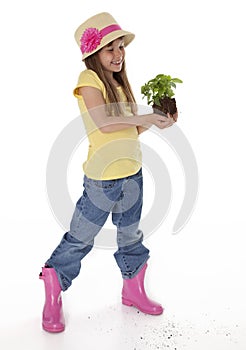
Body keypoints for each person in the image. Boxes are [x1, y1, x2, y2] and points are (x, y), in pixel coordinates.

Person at [39, 12, 177, 333]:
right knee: (80, 239)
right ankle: (53, 291)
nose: (118, 55)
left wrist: (156, 121)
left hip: (133, 173)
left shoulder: (119, 84)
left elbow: (126, 133)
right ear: (93, 54)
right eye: (109, 49)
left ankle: (133, 290)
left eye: (120, 47)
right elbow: (104, 122)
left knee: (130, 237)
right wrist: (142, 116)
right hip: (103, 178)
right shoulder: (89, 81)